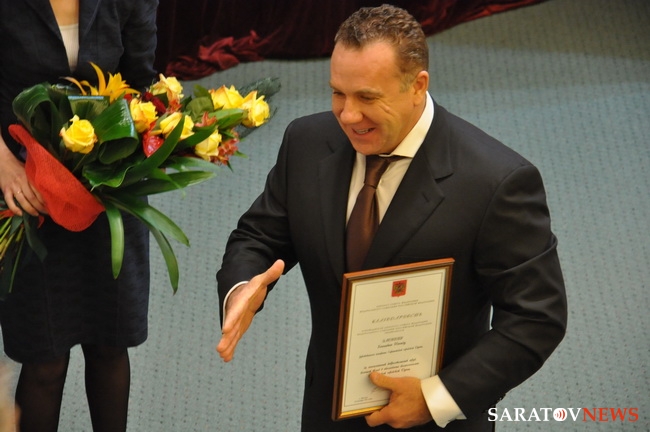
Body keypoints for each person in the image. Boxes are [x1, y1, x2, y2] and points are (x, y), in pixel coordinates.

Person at [216, 4, 567, 432]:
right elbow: (259, 235)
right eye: (338, 93)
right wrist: (241, 287)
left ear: (417, 86)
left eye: (367, 97)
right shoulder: (307, 142)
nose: (348, 115)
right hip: (328, 411)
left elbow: (536, 318)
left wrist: (437, 399)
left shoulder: (497, 182)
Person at [0, 1, 158, 431]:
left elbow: (141, 83)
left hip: (108, 186)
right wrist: (3, 164)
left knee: (109, 345)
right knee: (44, 361)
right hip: (27, 193)